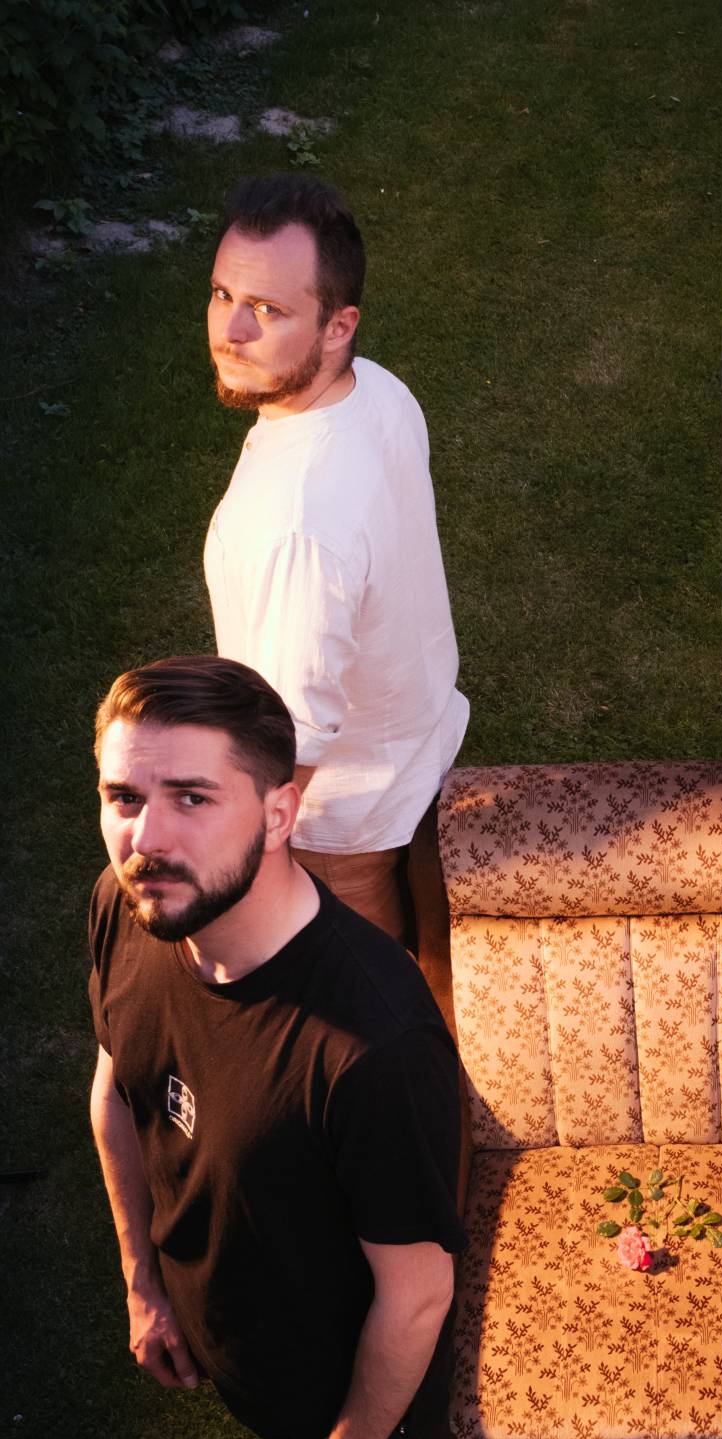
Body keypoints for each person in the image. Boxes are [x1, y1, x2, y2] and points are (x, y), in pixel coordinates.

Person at [87, 655, 494, 1439]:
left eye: (191, 797)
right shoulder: (133, 908)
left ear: (280, 812)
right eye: (124, 796)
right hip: (224, 1322)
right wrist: (145, 1284)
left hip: (363, 1367)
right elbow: (117, 1092)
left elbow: (416, 1291)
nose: (146, 837)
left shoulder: (372, 1048)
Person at [204, 175, 464, 1025]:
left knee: (361, 1023)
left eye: (267, 310)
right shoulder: (375, 390)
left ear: (337, 325)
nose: (230, 331)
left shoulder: (298, 526)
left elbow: (295, 733)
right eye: (222, 294)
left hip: (340, 829)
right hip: (413, 754)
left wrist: (238, 864)